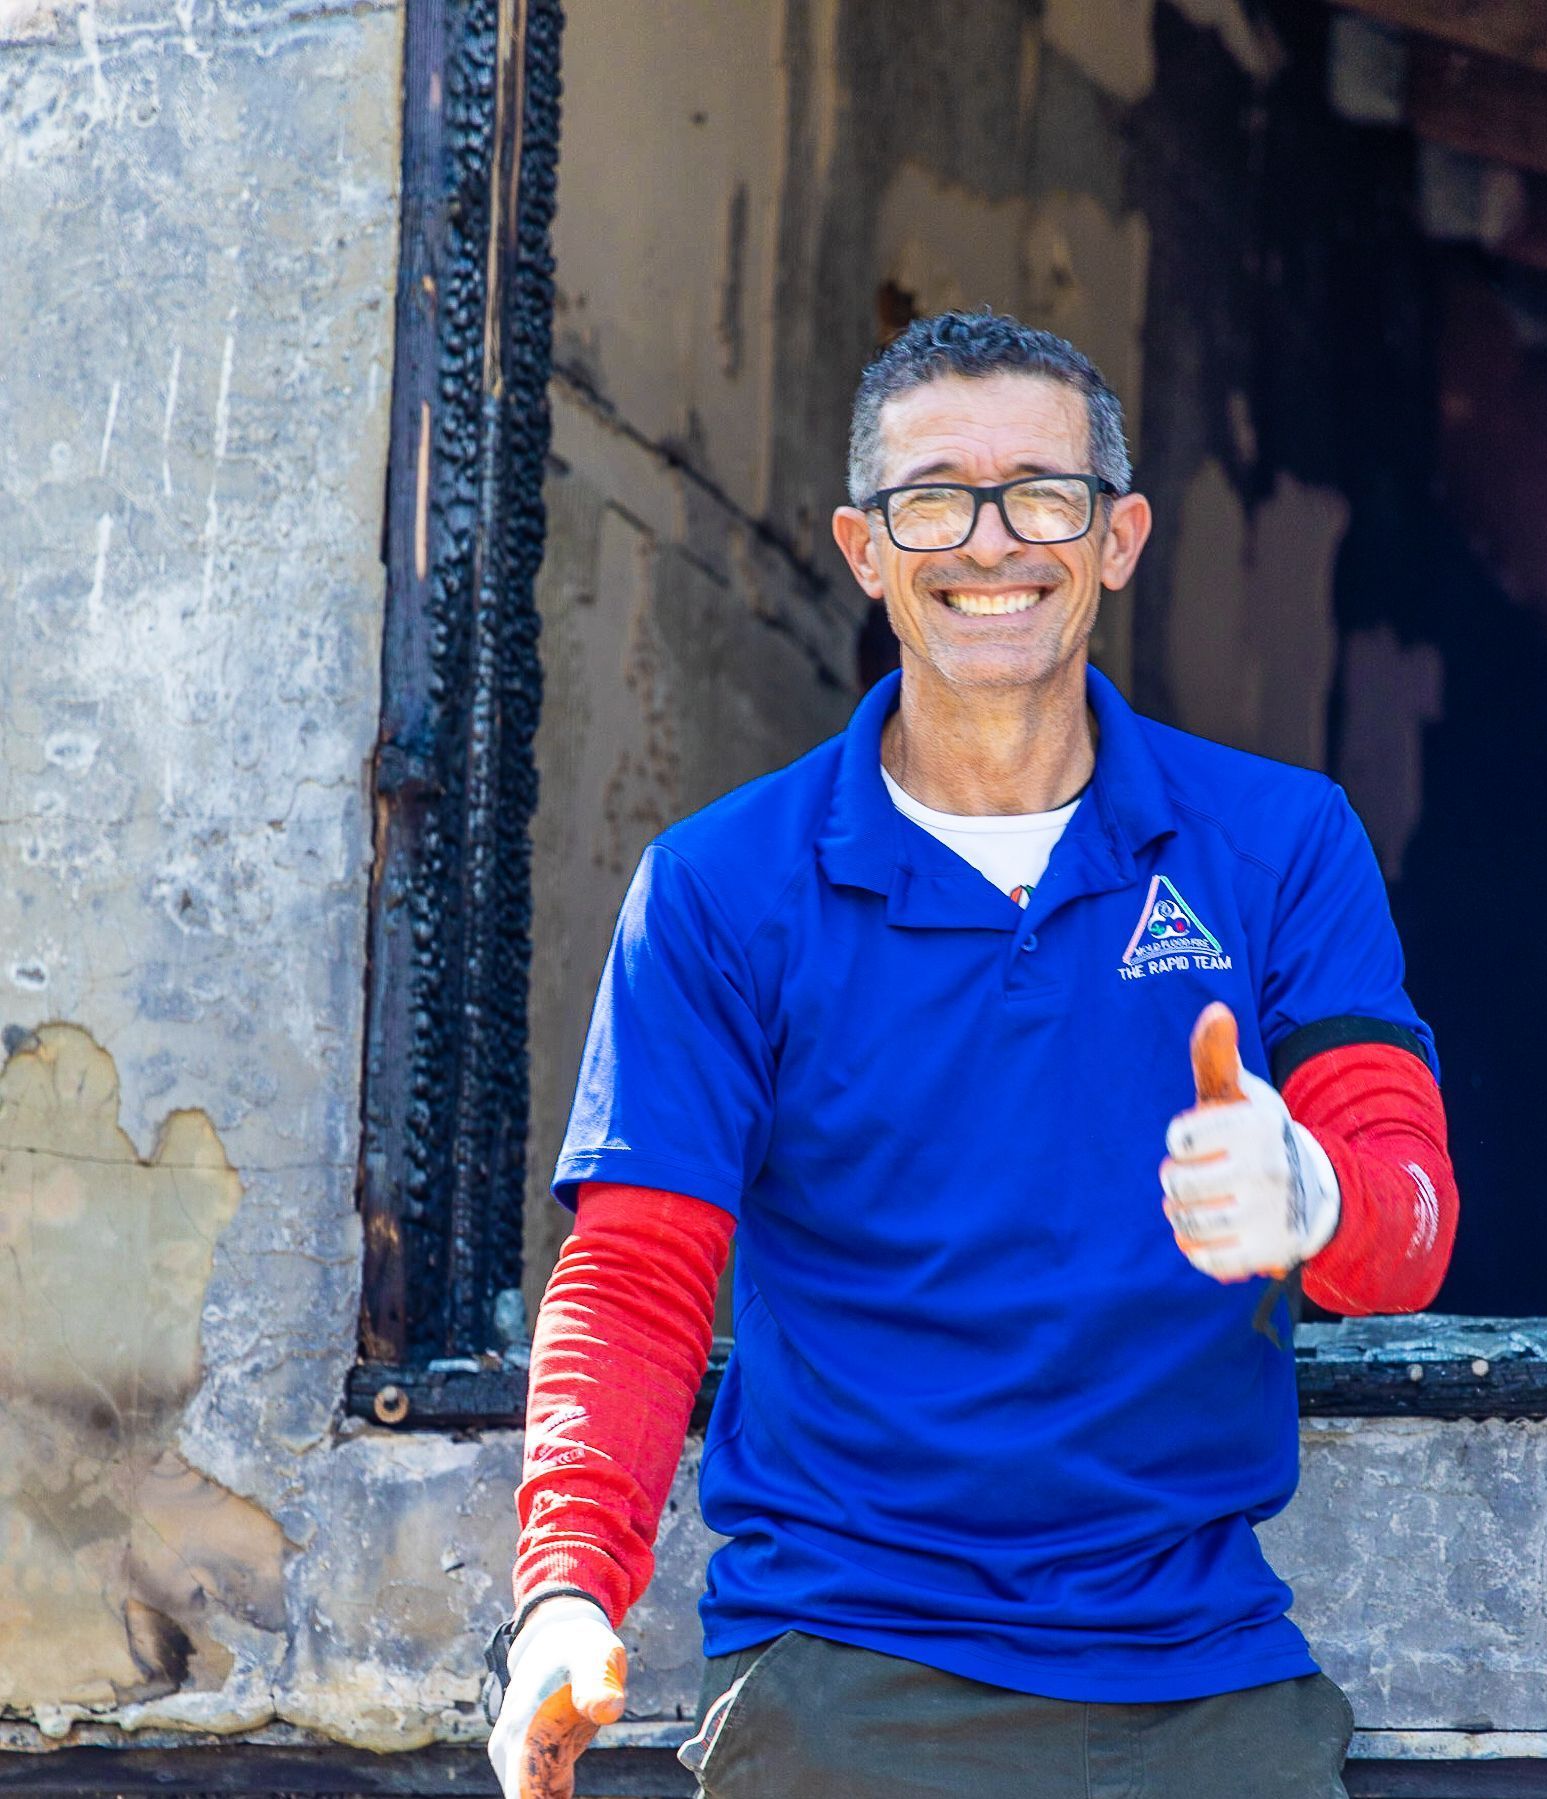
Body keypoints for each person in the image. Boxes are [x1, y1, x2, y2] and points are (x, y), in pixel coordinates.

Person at [486, 311, 1458, 1799]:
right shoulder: (722, 885)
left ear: (1118, 537)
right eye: (933, 497)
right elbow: (635, 1279)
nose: (990, 542)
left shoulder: (1279, 843)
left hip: (1200, 1677)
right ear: (865, 549)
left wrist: (1311, 1198)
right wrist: (564, 1595)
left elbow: (1405, 1226)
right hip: (840, 1669)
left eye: (1042, 496)